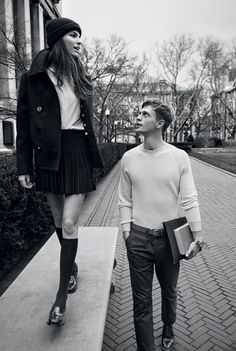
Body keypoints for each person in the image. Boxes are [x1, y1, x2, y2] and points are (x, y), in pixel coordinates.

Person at [16, 17, 103, 326]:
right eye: (73, 34)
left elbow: (89, 122)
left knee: (69, 222)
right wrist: (23, 166)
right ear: (56, 39)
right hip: (48, 154)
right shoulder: (34, 79)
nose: (79, 40)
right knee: (57, 220)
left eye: (81, 35)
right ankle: (72, 266)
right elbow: (24, 127)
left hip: (77, 151)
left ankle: (61, 299)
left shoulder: (81, 76)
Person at [118, 99, 204, 351]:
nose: (138, 117)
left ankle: (168, 325)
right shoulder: (128, 158)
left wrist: (197, 236)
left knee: (169, 291)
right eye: (139, 112)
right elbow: (125, 199)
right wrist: (126, 232)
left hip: (169, 239)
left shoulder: (178, 157)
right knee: (141, 302)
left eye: (145, 114)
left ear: (160, 123)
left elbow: (189, 198)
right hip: (138, 238)